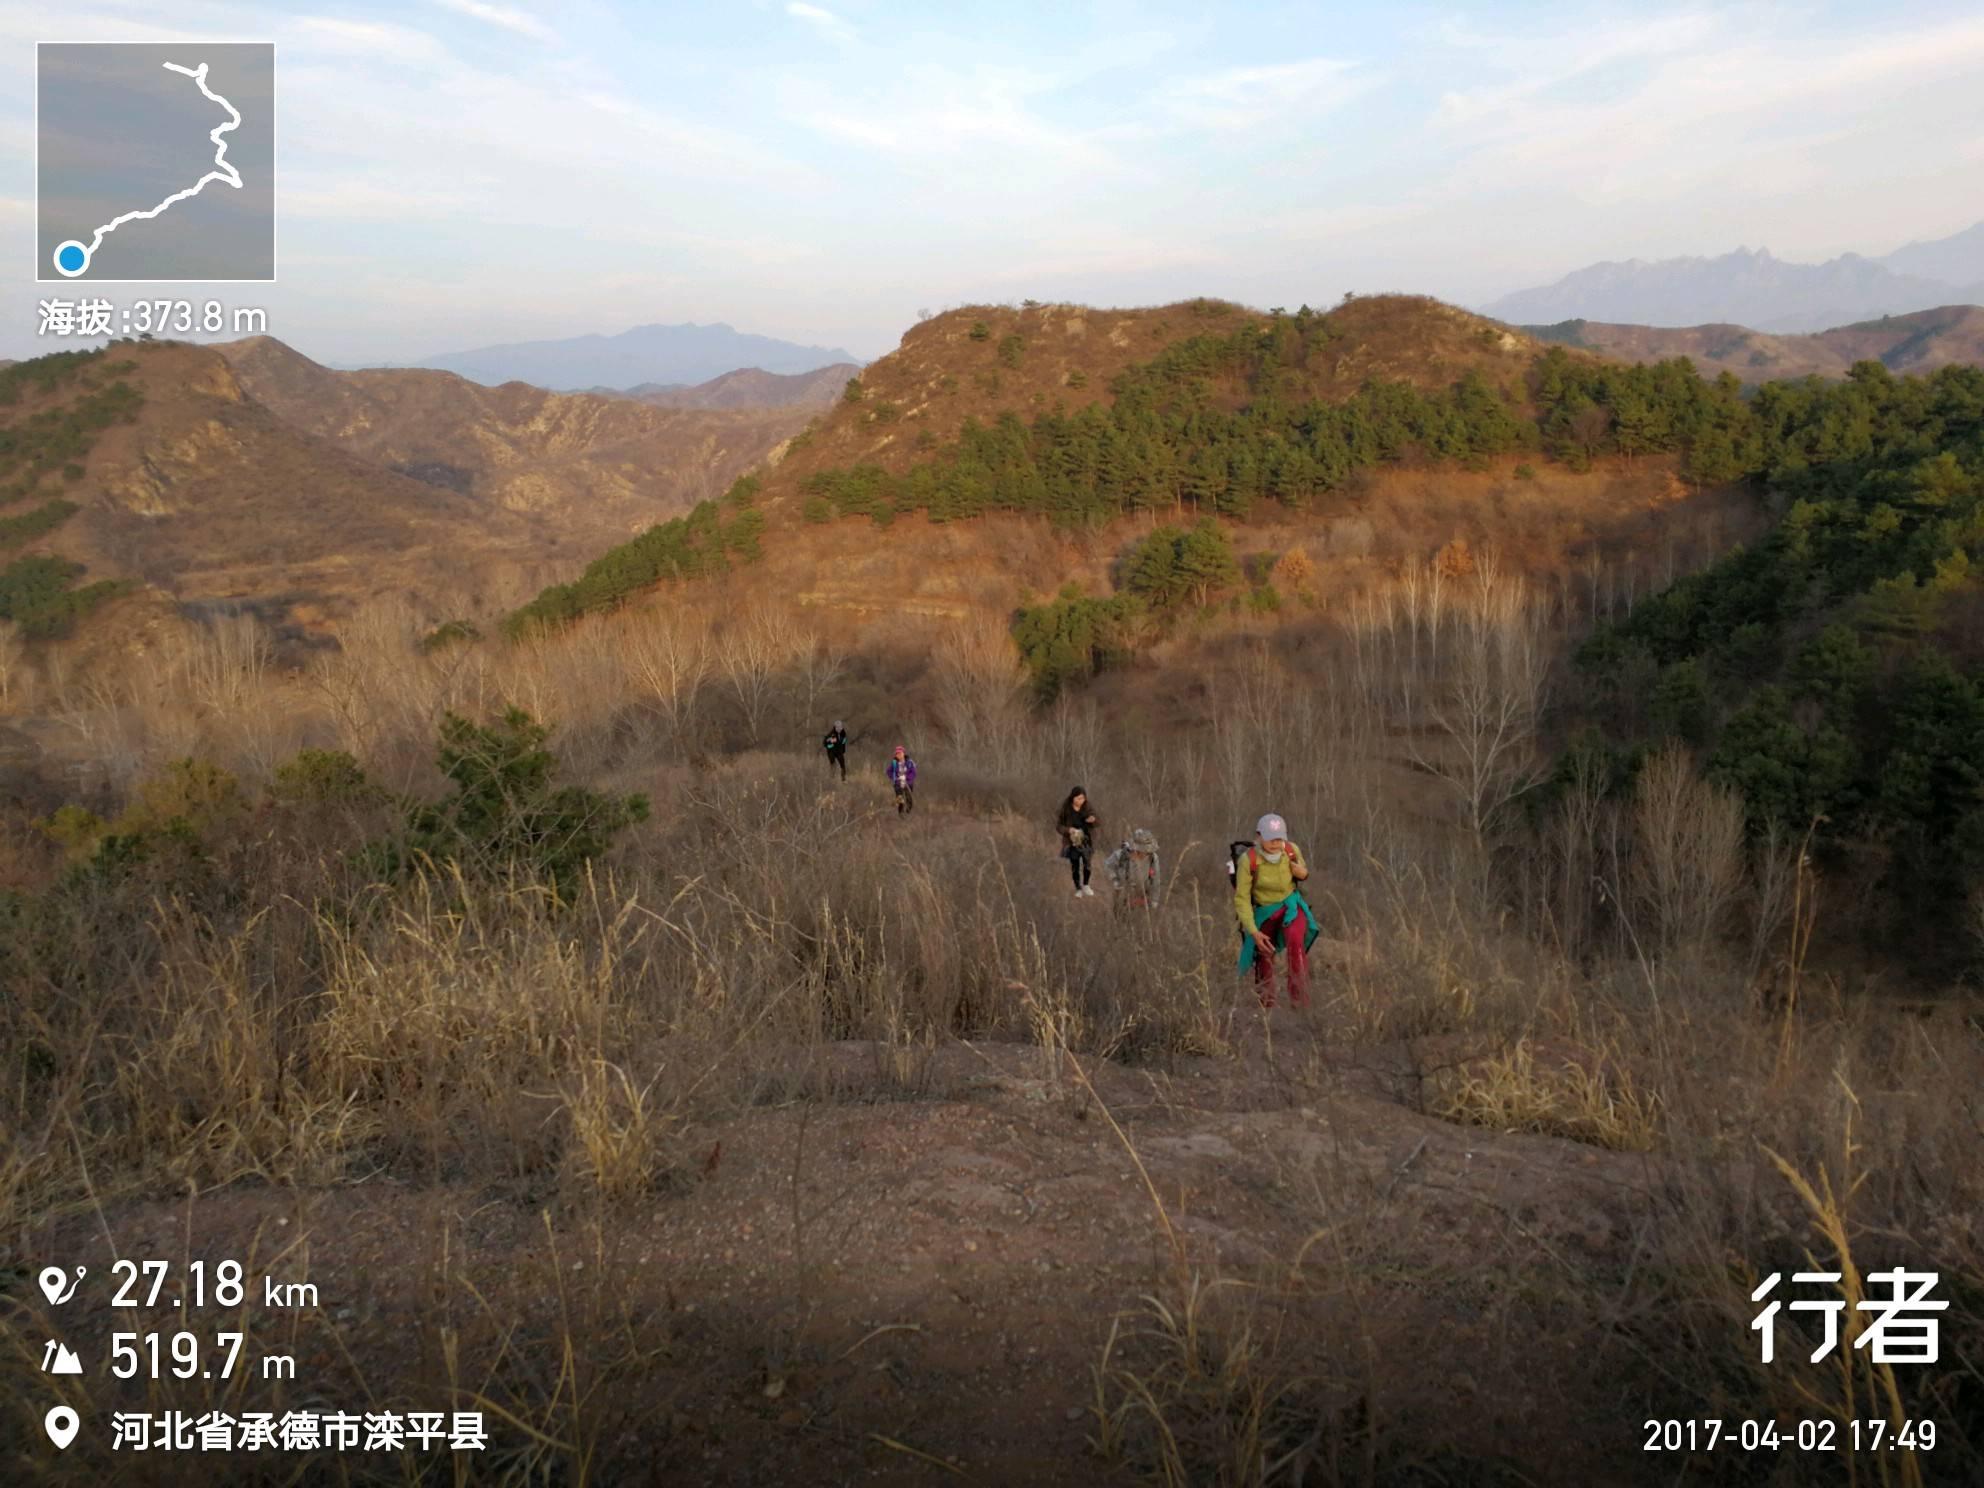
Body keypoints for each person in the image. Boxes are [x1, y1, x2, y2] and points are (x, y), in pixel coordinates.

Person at [1233, 812, 1318, 1008]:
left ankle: (1300, 1002)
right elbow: (1242, 899)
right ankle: (1266, 1005)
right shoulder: (1249, 860)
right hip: (1264, 911)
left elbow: (1303, 872)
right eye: (1270, 838)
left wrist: (1302, 873)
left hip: (1291, 906)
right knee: (1264, 952)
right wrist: (1254, 932)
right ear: (1259, 836)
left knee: (1295, 943)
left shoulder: (1291, 850)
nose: (1275, 843)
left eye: (1279, 838)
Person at [1056, 786, 1100, 898]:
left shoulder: (1088, 806)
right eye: (1079, 798)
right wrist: (1068, 830)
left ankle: (1086, 885)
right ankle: (1078, 888)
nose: (1081, 801)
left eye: (1083, 798)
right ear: (1073, 797)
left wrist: (1093, 820)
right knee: (1075, 865)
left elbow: (1098, 821)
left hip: (1087, 840)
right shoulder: (1066, 808)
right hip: (1072, 841)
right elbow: (1059, 826)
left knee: (1087, 863)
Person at [1104, 828, 1162, 909]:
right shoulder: (1121, 855)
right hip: (1122, 895)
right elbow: (1107, 866)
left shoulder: (1153, 858)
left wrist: (1154, 900)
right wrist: (1114, 880)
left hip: (1142, 897)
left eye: (1147, 852)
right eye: (1142, 851)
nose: (1145, 854)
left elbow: (1156, 880)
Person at [887, 745, 916, 813]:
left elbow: (914, 772)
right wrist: (894, 777)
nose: (899, 755)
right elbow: (888, 771)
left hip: (908, 783)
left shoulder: (910, 762)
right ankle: (900, 813)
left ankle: (908, 811)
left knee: (909, 798)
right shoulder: (894, 763)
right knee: (900, 799)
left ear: (903, 753)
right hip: (898, 783)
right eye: (897, 753)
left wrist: (907, 777)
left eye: (900, 753)